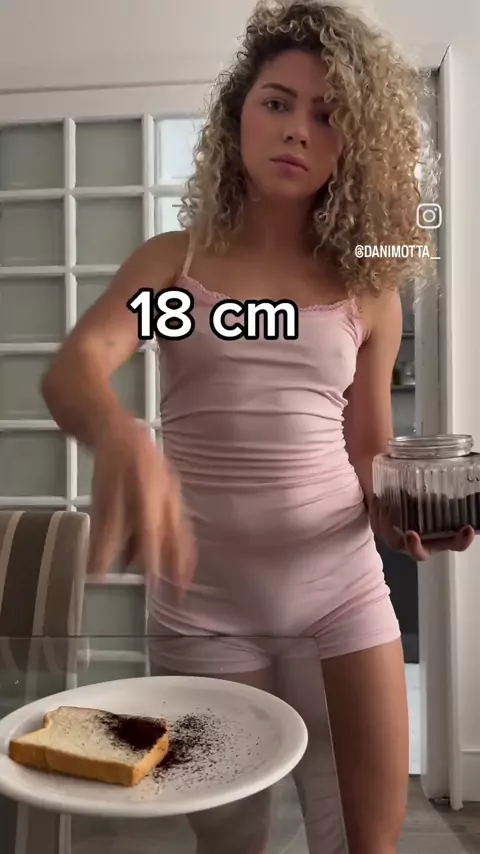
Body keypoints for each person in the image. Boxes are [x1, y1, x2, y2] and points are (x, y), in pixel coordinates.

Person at [42, 2, 475, 852]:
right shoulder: (175, 266)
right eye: (277, 102)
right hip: (200, 609)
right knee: (231, 845)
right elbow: (74, 369)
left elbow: (366, 449)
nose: (297, 130)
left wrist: (400, 514)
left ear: (353, 145)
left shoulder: (368, 290)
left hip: (341, 596)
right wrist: (121, 435)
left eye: (327, 115)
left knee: (365, 843)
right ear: (237, 114)